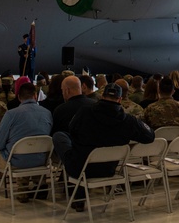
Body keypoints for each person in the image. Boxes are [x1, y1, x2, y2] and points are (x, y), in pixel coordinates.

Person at [52, 83, 155, 211]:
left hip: (79, 168)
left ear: (101, 96)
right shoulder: (128, 121)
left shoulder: (85, 112)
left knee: (60, 136)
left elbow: (72, 130)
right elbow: (150, 136)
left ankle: (79, 198)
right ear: (120, 99)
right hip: (108, 169)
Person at [0, 81, 52, 208]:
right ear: (35, 96)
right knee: (22, 150)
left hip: (15, 161)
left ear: (18, 97)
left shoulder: (11, 114)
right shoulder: (47, 113)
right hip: (40, 161)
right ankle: (25, 191)